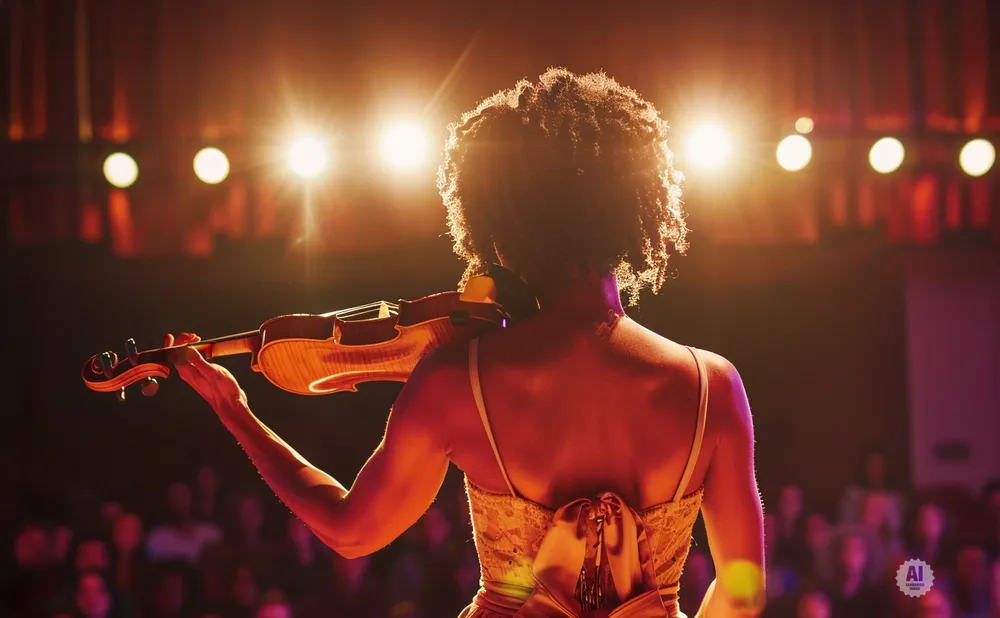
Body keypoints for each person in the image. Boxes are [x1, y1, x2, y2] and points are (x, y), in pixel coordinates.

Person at [162, 68, 765, 617]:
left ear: (500, 230)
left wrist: (234, 412)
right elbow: (742, 593)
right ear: (634, 210)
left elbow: (352, 532)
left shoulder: (458, 378)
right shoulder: (712, 385)